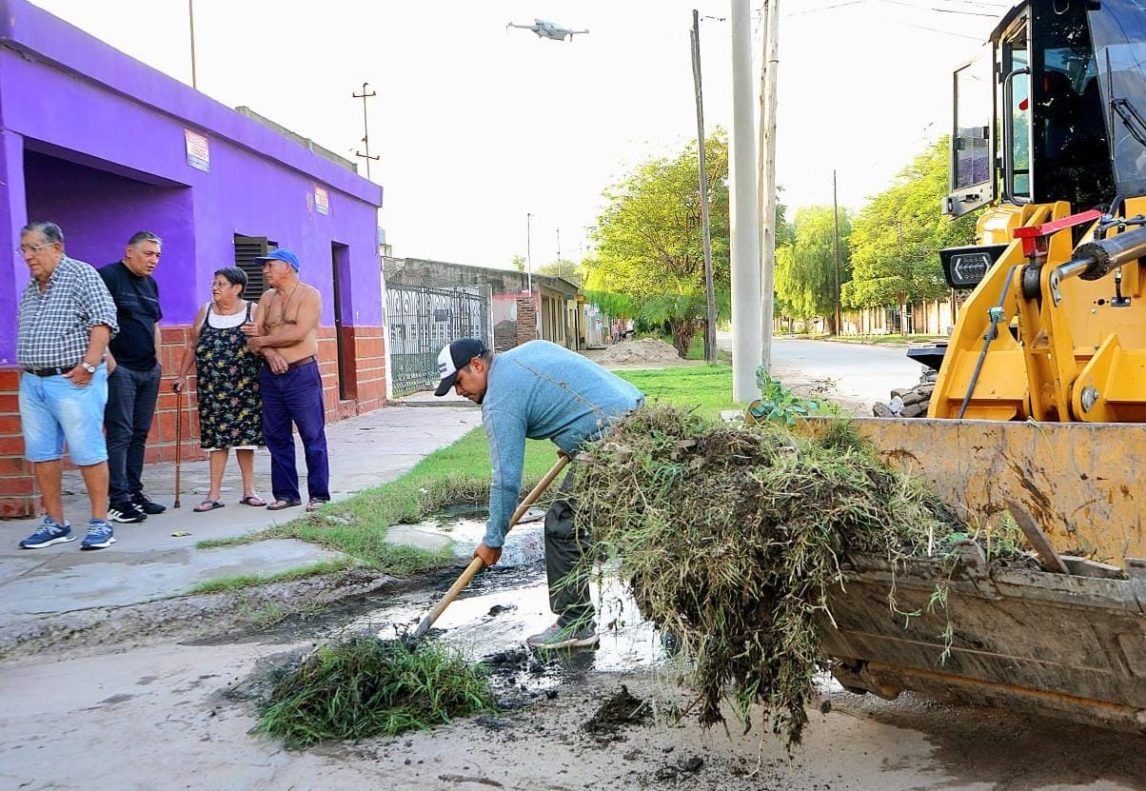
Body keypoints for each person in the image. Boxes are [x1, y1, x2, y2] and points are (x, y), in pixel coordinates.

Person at [433, 337, 643, 649]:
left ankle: (575, 623)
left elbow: (506, 480)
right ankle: (677, 618)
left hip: (610, 439)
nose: (459, 392)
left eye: (458, 382)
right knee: (638, 525)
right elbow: (572, 386)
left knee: (562, 524)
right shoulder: (526, 353)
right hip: (637, 415)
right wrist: (576, 438)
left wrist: (493, 540)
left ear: (476, 365)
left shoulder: (499, 400)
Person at [15, 221, 119, 551]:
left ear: (57, 247)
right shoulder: (33, 287)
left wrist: (89, 364)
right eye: (23, 249)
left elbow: (103, 320)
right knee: (42, 454)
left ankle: (101, 522)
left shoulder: (81, 274)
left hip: (73, 379)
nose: (28, 256)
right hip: (34, 382)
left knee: (88, 451)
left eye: (34, 248)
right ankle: (56, 523)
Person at [242, 249, 330, 512]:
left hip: (301, 373)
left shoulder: (309, 295)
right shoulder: (267, 297)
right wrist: (269, 353)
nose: (264, 271)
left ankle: (319, 495)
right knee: (276, 436)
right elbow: (252, 339)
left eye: (270, 266)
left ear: (287, 267)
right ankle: (286, 494)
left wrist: (263, 341)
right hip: (271, 375)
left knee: (312, 434)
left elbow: (298, 333)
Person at [172, 267, 266, 512]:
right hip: (211, 389)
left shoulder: (252, 310)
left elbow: (264, 340)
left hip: (245, 387)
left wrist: (259, 334)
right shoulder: (205, 311)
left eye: (221, 284)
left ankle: (249, 491)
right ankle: (213, 495)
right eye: (214, 283)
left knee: (245, 440)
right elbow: (192, 346)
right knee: (216, 440)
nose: (215, 288)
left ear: (237, 288)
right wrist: (181, 375)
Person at [99, 231, 166, 523]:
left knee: (139, 433)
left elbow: (154, 324)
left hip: (148, 370)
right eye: (148, 253)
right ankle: (118, 499)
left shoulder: (151, 284)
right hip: (120, 369)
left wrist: (158, 362)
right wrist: (109, 359)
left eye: (157, 255)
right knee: (120, 433)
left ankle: (134, 492)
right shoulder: (108, 277)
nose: (153, 260)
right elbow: (96, 319)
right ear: (129, 251)